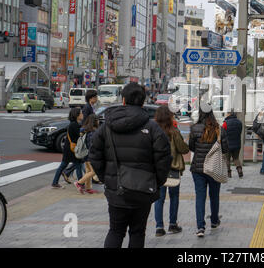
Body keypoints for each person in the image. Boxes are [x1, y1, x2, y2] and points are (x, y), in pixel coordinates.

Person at [89, 82, 172, 248]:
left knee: (115, 231)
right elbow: (164, 158)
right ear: (142, 102)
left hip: (116, 188)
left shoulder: (107, 127)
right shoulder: (152, 128)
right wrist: (157, 181)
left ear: (123, 100)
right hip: (143, 188)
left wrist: (107, 177)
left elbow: (94, 153)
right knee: (137, 232)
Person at [189, 108, 229, 238]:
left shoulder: (194, 128)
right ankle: (214, 221)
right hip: (214, 168)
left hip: (198, 169)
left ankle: (200, 227)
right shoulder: (219, 129)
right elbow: (225, 148)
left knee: (200, 197)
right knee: (214, 195)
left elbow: (191, 147)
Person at [154, 106, 189, 237]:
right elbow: (184, 149)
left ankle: (159, 227)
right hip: (173, 168)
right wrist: (185, 143)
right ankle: (172, 225)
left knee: (159, 198)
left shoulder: (154, 131)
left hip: (158, 169)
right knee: (174, 196)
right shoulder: (174, 131)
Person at [62, 89, 99, 182]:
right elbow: (85, 121)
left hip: (87, 131)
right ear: (91, 98)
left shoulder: (90, 106)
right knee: (84, 156)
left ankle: (80, 177)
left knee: (83, 158)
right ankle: (85, 179)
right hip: (86, 132)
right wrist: (86, 130)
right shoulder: (87, 107)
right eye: (96, 97)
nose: (97, 99)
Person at [51, 108, 84, 189]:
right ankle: (81, 184)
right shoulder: (74, 125)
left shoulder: (73, 124)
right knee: (78, 165)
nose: (82, 114)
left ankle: (55, 182)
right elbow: (77, 137)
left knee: (64, 165)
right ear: (77, 115)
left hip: (68, 148)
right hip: (72, 149)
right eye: (81, 113)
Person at [73, 114, 100, 194]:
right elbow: (91, 145)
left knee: (88, 171)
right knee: (94, 171)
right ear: (95, 121)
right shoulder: (92, 132)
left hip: (86, 154)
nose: (99, 121)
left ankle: (88, 188)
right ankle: (79, 183)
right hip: (90, 155)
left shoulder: (86, 130)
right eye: (97, 120)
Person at [222, 110, 243, 178]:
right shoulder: (239, 122)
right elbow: (240, 132)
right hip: (237, 143)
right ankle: (239, 169)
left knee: (227, 159)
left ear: (229, 114)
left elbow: (222, 133)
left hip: (227, 144)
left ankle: (229, 173)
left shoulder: (225, 123)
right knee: (236, 158)